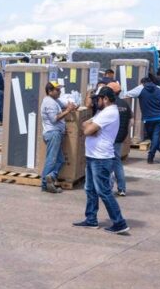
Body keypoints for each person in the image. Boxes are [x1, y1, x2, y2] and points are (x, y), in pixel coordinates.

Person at [73, 87, 129, 235]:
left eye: (98, 99)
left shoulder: (109, 112)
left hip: (101, 158)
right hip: (93, 156)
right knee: (90, 189)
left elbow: (86, 130)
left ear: (105, 99)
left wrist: (91, 128)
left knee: (103, 191)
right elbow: (86, 124)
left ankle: (119, 222)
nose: (96, 101)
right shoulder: (103, 112)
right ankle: (91, 219)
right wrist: (91, 127)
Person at [40, 81, 76, 193]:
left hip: (56, 133)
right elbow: (54, 119)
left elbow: (65, 105)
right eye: (57, 90)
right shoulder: (49, 102)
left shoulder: (54, 101)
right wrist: (68, 111)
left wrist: (72, 105)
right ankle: (45, 184)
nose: (59, 92)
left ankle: (50, 177)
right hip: (53, 133)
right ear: (50, 91)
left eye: (60, 90)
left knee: (60, 159)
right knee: (52, 159)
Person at [126, 77, 160, 164]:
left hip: (148, 118)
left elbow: (128, 94)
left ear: (142, 83)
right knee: (156, 136)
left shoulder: (141, 88)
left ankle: (151, 156)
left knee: (152, 137)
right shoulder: (159, 88)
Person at [106, 82, 131, 197]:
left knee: (109, 162)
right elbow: (130, 119)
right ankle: (121, 188)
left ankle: (109, 187)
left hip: (111, 136)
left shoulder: (110, 104)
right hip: (121, 136)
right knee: (117, 162)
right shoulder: (125, 104)